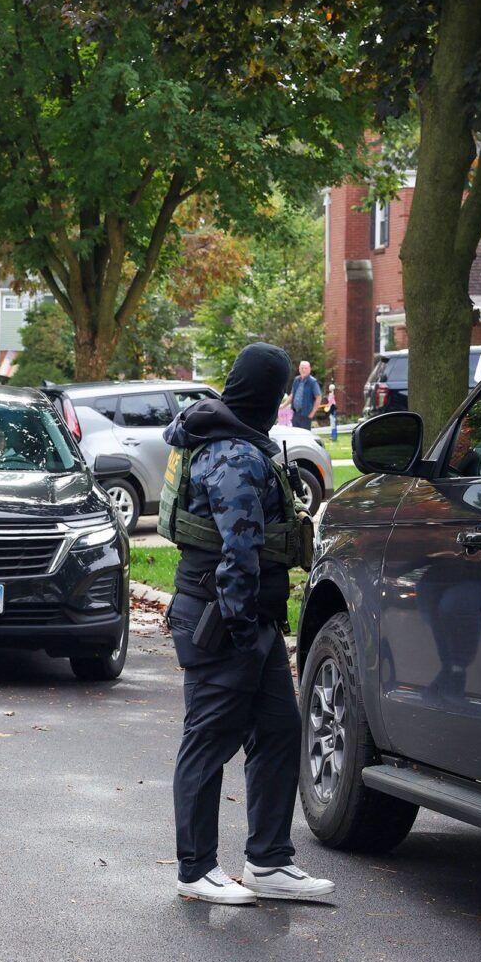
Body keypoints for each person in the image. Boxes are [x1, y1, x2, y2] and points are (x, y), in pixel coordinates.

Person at [158, 342, 334, 904]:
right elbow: (239, 553)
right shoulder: (233, 453)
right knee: (209, 739)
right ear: (272, 393)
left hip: (246, 619)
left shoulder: (241, 442)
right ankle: (196, 869)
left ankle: (269, 863)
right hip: (224, 619)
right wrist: (241, 631)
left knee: (280, 730)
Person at [287, 360, 321, 431]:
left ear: (309, 369)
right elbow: (292, 395)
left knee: (304, 437)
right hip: (296, 413)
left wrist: (312, 413)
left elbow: (318, 398)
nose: (304, 370)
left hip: (306, 415)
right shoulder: (296, 380)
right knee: (295, 434)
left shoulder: (312, 382)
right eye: (302, 368)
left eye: (306, 368)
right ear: (299, 369)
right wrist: (283, 405)